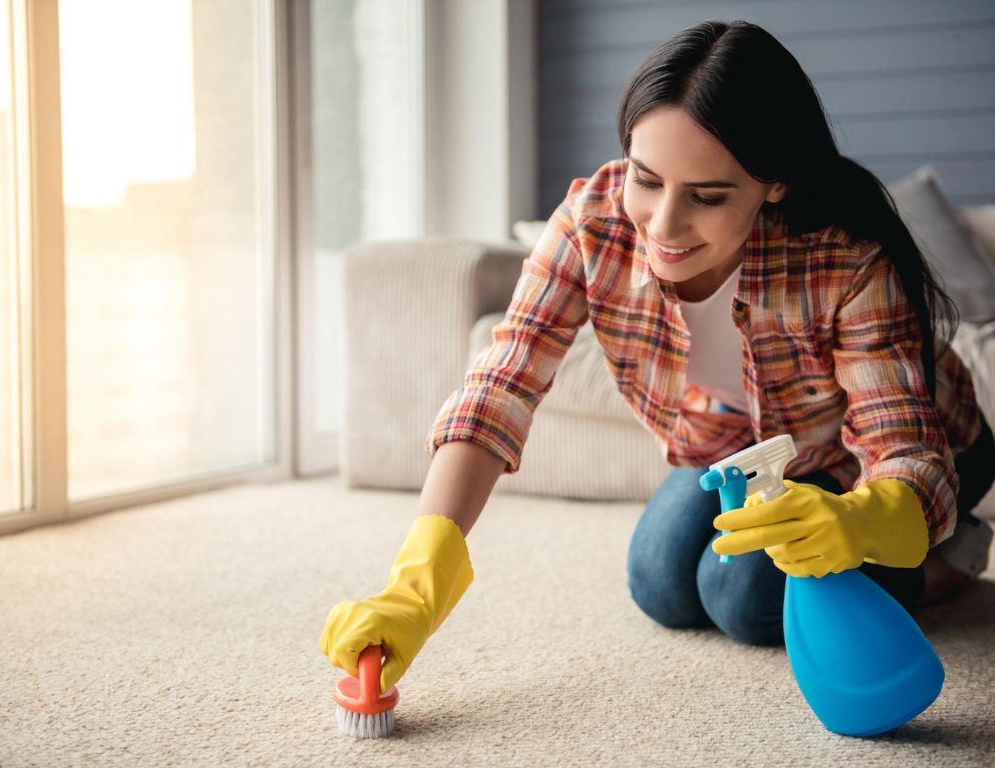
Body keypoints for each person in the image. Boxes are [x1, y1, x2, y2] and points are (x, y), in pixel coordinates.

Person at [319, 20, 995, 691]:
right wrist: (416, 582)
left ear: (775, 184)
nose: (664, 228)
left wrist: (865, 520)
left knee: (742, 598)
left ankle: (951, 554)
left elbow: (902, 447)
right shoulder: (591, 223)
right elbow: (500, 387)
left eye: (707, 196)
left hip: (901, 455)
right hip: (735, 443)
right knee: (662, 584)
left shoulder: (843, 257)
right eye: (647, 179)